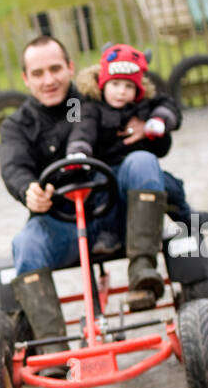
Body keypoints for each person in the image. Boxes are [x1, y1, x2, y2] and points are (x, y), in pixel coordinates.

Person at [0, 35, 193, 348]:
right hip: (61, 219)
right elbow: (13, 167)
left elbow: (161, 136)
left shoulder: (103, 96)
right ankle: (52, 348)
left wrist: (148, 127)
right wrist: (28, 190)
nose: (48, 80)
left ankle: (144, 273)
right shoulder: (17, 125)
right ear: (25, 78)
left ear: (70, 67)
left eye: (55, 69)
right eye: (37, 73)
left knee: (143, 162)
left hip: (116, 212)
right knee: (24, 244)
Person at [66, 42, 192, 309]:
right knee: (102, 191)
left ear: (138, 88)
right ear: (102, 83)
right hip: (108, 174)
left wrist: (156, 123)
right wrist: (78, 152)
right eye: (115, 85)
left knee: (170, 186)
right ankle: (110, 235)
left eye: (128, 86)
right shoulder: (84, 104)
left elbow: (169, 107)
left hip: (146, 175)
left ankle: (186, 228)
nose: (122, 92)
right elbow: (81, 130)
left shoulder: (145, 104)